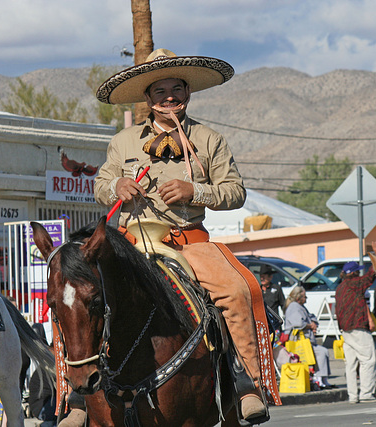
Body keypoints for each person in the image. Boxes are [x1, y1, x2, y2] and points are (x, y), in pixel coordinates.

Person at [93, 48, 276, 424]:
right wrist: (117, 185)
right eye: (160, 91)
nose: (170, 96)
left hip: (189, 241)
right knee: (82, 292)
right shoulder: (123, 142)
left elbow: (235, 192)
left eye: (177, 88)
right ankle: (75, 399)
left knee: (240, 290)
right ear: (147, 98)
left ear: (188, 92)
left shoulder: (210, 140)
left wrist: (197, 191)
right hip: (132, 244)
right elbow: (100, 185)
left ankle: (246, 385)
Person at [334, 253, 376, 404]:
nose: (359, 273)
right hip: (357, 327)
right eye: (357, 271)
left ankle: (353, 395)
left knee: (351, 364)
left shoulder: (340, 288)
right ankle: (366, 393)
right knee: (368, 360)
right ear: (353, 273)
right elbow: (369, 276)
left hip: (345, 330)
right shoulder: (355, 283)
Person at [282, 285, 332, 389]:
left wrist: (312, 323)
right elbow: (298, 323)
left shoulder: (300, 306)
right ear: (298, 298)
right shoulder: (293, 307)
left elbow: (311, 316)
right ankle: (320, 379)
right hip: (299, 342)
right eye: (305, 297)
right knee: (322, 352)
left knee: (322, 352)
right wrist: (310, 325)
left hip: (306, 341)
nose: (306, 299)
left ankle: (323, 379)